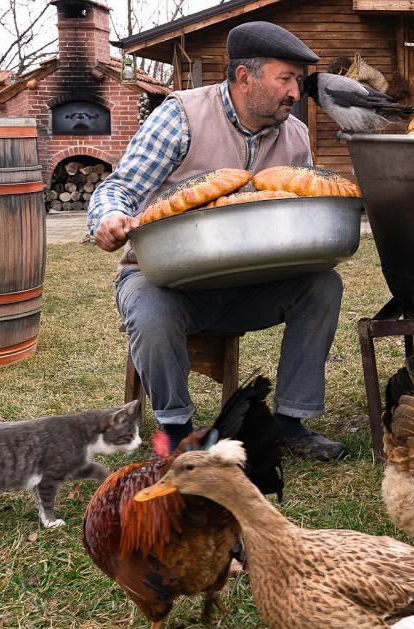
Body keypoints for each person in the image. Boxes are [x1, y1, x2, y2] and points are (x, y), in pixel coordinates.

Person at [88, 21, 347, 461]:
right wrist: (109, 216)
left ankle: (290, 422)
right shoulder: (182, 115)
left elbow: (302, 207)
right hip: (171, 279)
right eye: (285, 79)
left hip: (251, 281)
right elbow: (122, 187)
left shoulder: (296, 136)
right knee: (151, 311)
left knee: (322, 285)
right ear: (243, 77)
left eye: (297, 82)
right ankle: (176, 431)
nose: (294, 93)